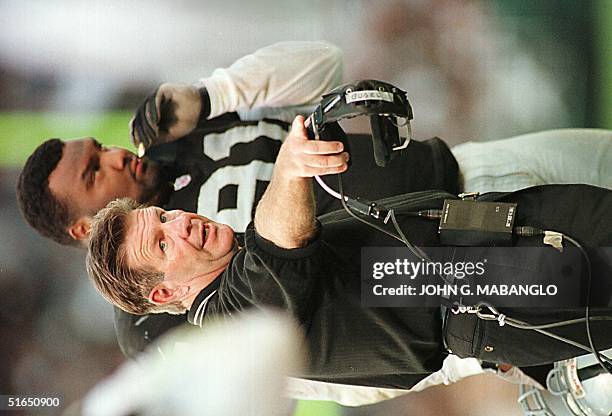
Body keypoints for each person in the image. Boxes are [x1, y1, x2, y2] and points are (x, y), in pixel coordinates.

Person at [87, 115, 612, 391]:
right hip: (471, 288)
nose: (179, 222)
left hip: (474, 230)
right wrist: (291, 166)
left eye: (163, 216)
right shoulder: (232, 327)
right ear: (164, 291)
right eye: (162, 242)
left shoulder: (236, 265)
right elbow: (279, 243)